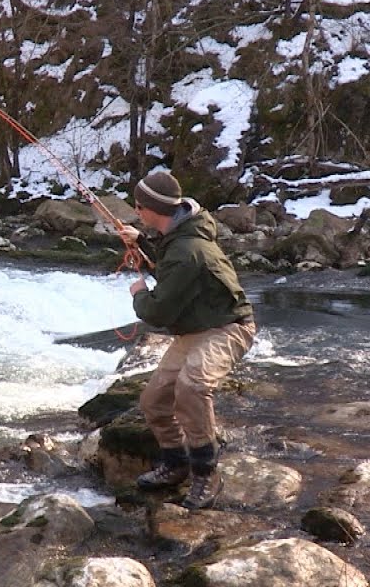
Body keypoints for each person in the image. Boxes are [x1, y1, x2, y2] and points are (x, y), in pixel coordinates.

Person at [117, 169, 256, 509]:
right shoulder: (180, 233)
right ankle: (175, 464)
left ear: (153, 208)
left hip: (229, 327)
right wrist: (142, 242)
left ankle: (206, 473)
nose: (136, 211)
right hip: (196, 327)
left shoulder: (187, 249)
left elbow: (158, 312)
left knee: (192, 386)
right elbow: (172, 267)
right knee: (153, 401)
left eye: (138, 206)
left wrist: (138, 293)